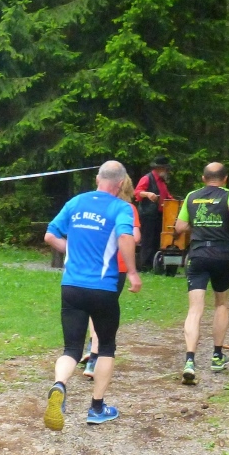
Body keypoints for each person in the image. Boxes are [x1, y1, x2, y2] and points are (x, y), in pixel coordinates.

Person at [43, 161, 142, 430]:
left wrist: (72, 252)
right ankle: (97, 408)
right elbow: (126, 237)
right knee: (106, 347)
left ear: (98, 178)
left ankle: (59, 385)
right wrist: (133, 272)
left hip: (72, 286)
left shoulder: (76, 202)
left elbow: (50, 235)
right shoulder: (121, 207)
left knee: (71, 349)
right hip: (103, 288)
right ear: (120, 184)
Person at [174, 163, 229, 384]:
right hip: (221, 254)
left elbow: (179, 226)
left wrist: (198, 226)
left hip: (197, 255)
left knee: (195, 308)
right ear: (225, 178)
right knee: (221, 304)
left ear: (203, 178)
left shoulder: (192, 196)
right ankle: (216, 356)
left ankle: (190, 360)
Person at [83, 176, 142, 379]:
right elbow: (135, 237)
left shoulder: (98, 207)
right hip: (117, 266)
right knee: (105, 311)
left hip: (95, 264)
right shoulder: (128, 209)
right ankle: (94, 358)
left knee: (93, 307)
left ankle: (92, 346)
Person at [134, 156, 174, 271]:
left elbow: (167, 196)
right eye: (165, 169)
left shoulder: (162, 182)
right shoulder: (147, 178)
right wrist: (148, 194)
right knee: (148, 240)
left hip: (159, 215)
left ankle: (154, 264)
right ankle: (145, 265)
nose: (167, 171)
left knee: (157, 240)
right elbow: (137, 192)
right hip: (148, 214)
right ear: (159, 168)